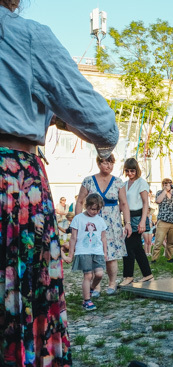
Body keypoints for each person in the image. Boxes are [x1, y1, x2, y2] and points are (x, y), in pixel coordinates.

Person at [0, 1, 120, 363]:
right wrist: (53, 113)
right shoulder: (26, 35)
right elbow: (101, 123)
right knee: (19, 293)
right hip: (12, 179)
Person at [77, 154, 132, 295]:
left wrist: (128, 223)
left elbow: (124, 203)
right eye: (105, 163)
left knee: (111, 256)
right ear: (99, 163)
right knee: (95, 254)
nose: (108, 166)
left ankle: (112, 283)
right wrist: (78, 222)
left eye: (111, 163)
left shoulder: (118, 182)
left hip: (112, 224)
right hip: (92, 224)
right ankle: (96, 286)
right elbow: (79, 201)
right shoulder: (88, 181)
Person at [62, 194, 107, 311]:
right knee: (88, 275)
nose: (95, 212)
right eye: (92, 209)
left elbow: (103, 238)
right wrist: (70, 254)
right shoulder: (78, 219)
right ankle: (87, 300)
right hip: (83, 251)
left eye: (98, 210)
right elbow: (73, 237)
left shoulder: (100, 220)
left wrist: (105, 252)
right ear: (86, 206)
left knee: (99, 274)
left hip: (97, 251)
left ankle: (91, 289)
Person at [120, 158, 154, 286]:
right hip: (128, 216)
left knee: (128, 246)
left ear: (137, 170)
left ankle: (128, 276)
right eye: (127, 171)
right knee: (137, 248)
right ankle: (148, 274)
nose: (130, 173)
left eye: (132, 171)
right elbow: (123, 203)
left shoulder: (141, 183)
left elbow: (146, 203)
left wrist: (143, 221)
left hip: (139, 216)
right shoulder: (124, 184)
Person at [151, 178, 173, 264]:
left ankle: (169, 257)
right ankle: (154, 259)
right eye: (166, 183)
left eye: (170, 183)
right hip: (163, 220)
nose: (168, 185)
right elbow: (158, 201)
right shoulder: (160, 192)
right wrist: (165, 190)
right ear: (163, 184)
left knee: (171, 242)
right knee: (158, 241)